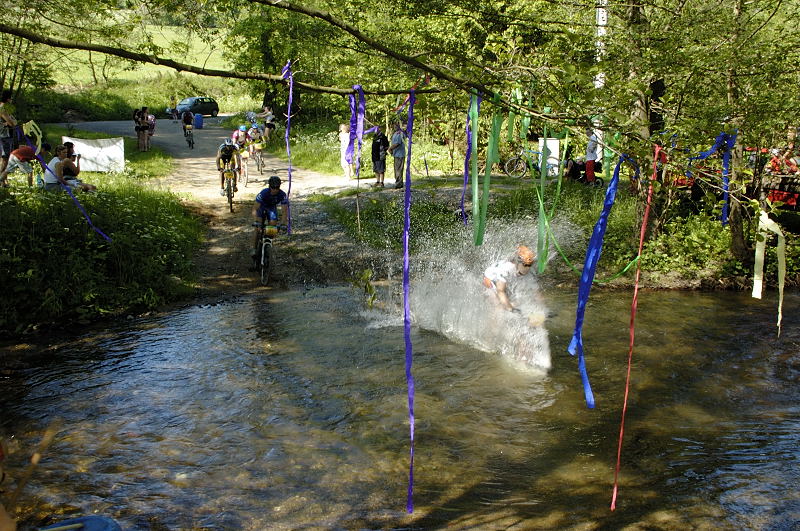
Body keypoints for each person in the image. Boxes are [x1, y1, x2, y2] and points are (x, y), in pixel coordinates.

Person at [482, 245, 536, 313]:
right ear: (518, 262)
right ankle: (493, 322)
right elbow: (500, 291)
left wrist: (544, 311)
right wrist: (511, 309)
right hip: (489, 281)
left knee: (517, 302)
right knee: (499, 308)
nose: (527, 268)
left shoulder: (528, 270)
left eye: (529, 265)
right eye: (525, 265)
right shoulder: (507, 269)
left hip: (502, 283)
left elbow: (536, 292)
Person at [250, 175, 288, 263]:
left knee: (273, 226)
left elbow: (284, 212)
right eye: (273, 187)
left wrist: (283, 224)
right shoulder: (263, 193)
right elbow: (255, 208)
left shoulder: (282, 195)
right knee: (258, 228)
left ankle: (267, 243)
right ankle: (253, 248)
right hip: (261, 207)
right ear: (269, 186)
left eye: (277, 187)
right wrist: (256, 221)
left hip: (271, 207)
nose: (275, 189)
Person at [0, 90, 18, 175]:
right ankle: (1, 179)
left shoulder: (6, 108)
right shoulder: (2, 108)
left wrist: (11, 122)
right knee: (5, 159)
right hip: (4, 136)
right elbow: (11, 123)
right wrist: (10, 122)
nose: (12, 99)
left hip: (7, 135)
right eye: (11, 98)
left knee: (5, 158)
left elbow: (15, 122)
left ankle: (4, 180)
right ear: (8, 98)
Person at [389, 122, 406, 189]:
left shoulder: (400, 134)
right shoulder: (395, 134)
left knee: (399, 169)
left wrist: (390, 148)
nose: (395, 127)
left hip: (400, 154)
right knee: (396, 169)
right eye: (394, 125)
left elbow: (397, 143)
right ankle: (397, 182)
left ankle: (399, 183)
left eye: (396, 125)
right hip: (396, 154)